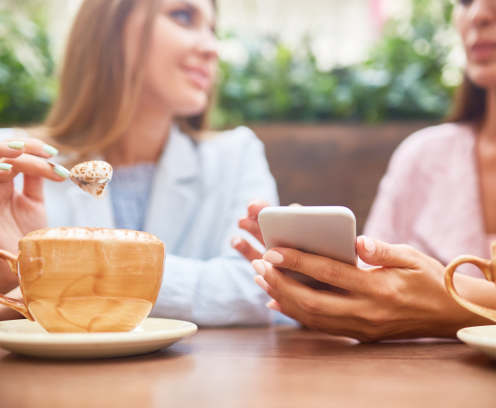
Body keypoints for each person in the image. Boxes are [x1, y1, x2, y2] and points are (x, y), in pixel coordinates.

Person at [0, 0, 278, 325]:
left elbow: (256, 288)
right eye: (183, 16)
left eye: (212, 29)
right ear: (111, 26)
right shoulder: (16, 162)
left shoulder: (237, 155)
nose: (212, 48)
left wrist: (61, 275)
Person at [232, 0, 496, 341]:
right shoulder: (423, 157)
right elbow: (373, 286)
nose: (478, 13)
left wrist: (456, 306)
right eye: (464, 1)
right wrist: (328, 287)